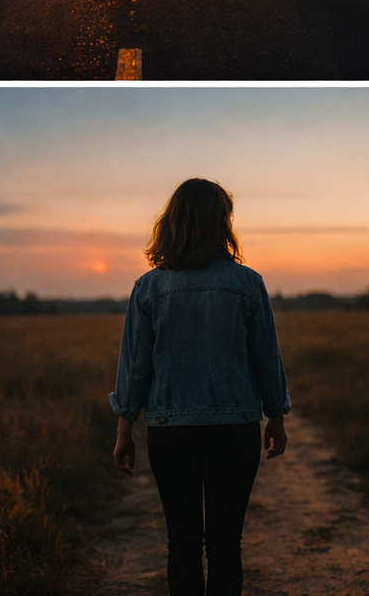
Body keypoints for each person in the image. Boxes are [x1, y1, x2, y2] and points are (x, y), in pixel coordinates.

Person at [109, 178, 291, 596]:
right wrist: (276, 417)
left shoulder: (148, 288)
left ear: (172, 221)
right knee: (227, 544)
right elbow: (266, 356)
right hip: (235, 430)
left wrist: (124, 431)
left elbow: (135, 368)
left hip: (171, 433)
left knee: (182, 544)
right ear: (221, 223)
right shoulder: (247, 283)